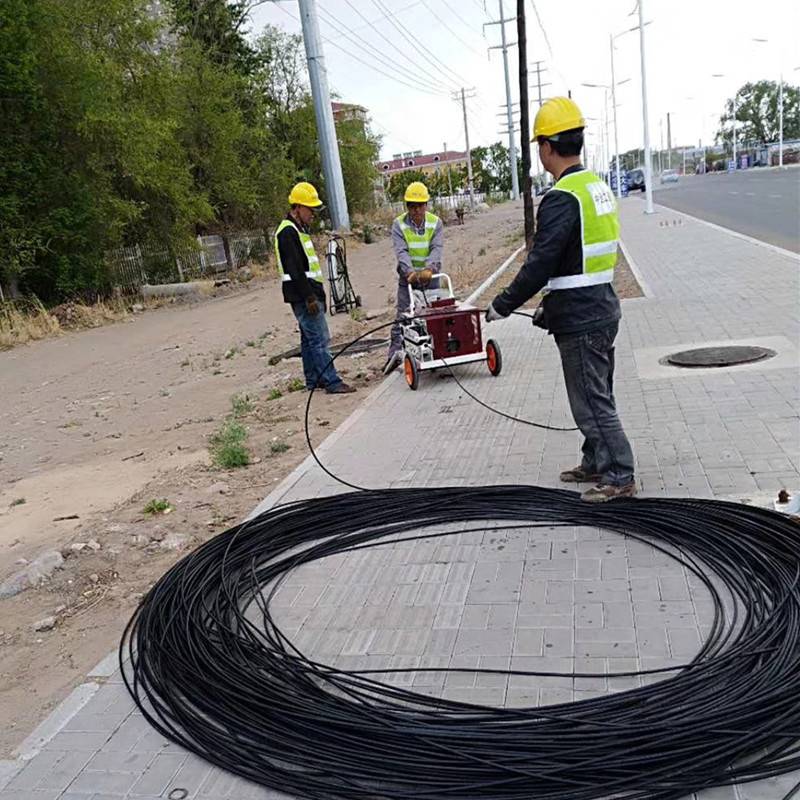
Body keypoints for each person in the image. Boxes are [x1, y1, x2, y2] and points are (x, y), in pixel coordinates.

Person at [485, 97, 635, 503]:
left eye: (538, 144)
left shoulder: (562, 196)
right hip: (601, 305)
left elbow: (541, 262)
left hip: (583, 318)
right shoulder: (595, 187)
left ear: (547, 146)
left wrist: (502, 303)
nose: (539, 151)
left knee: (590, 399)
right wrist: (551, 305)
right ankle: (595, 460)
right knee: (597, 389)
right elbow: (578, 258)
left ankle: (619, 474)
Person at [274, 182, 355, 394]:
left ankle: (314, 380)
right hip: (304, 296)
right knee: (319, 340)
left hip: (306, 293)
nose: (313, 214)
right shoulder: (288, 232)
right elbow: (295, 269)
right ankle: (331, 381)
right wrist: (309, 297)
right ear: (297, 207)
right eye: (310, 209)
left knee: (309, 340)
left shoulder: (296, 230)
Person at [382, 181, 444, 375]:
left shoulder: (436, 223)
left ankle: (439, 351)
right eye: (411, 205)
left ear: (426, 204)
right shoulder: (399, 225)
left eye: (419, 205)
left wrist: (429, 268)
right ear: (406, 206)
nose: (416, 210)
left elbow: (436, 248)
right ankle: (395, 355)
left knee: (436, 314)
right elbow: (401, 251)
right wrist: (409, 271)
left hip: (431, 276)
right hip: (407, 278)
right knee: (403, 316)